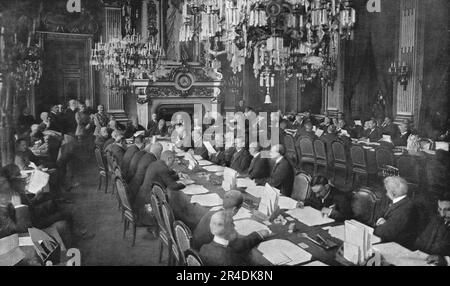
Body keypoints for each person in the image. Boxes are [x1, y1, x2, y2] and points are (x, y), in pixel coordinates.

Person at [132, 150, 184, 224]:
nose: (173, 163)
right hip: (149, 202)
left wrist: (178, 176)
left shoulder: (156, 163)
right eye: (173, 160)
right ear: (168, 158)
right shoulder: (163, 168)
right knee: (174, 202)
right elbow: (173, 186)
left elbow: (165, 176)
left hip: (143, 196)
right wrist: (185, 183)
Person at [199, 211, 268, 266]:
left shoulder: (203, 248)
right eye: (232, 223)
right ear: (228, 231)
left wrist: (258, 235)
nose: (234, 225)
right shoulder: (231, 258)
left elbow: (239, 244)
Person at [374, 176, 420, 249]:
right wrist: (381, 221)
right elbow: (378, 215)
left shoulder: (406, 209)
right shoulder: (396, 200)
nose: (386, 193)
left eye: (387, 190)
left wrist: (378, 226)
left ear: (393, 193)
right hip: (387, 240)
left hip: (396, 246)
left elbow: (386, 233)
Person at [414, 193, 450, 266]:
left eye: (448, 210)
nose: (442, 214)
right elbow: (421, 242)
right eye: (440, 209)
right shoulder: (436, 220)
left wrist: (445, 260)